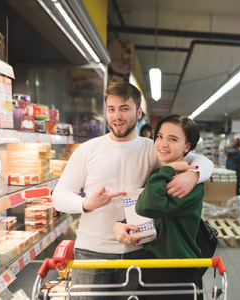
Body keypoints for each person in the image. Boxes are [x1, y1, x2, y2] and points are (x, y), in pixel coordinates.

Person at [52, 82, 214, 300]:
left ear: (138, 112)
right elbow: (59, 195)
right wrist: (85, 204)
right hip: (92, 251)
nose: (117, 116)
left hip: (138, 253)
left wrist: (194, 174)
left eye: (124, 109)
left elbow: (197, 158)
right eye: (111, 109)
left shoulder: (152, 148)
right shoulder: (88, 150)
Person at [134, 115, 204, 299]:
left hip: (179, 268)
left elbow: (147, 207)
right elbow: (148, 214)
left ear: (187, 146)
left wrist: (167, 169)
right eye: (160, 136)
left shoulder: (189, 182)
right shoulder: (159, 174)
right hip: (151, 264)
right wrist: (122, 223)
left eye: (173, 139)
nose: (163, 144)